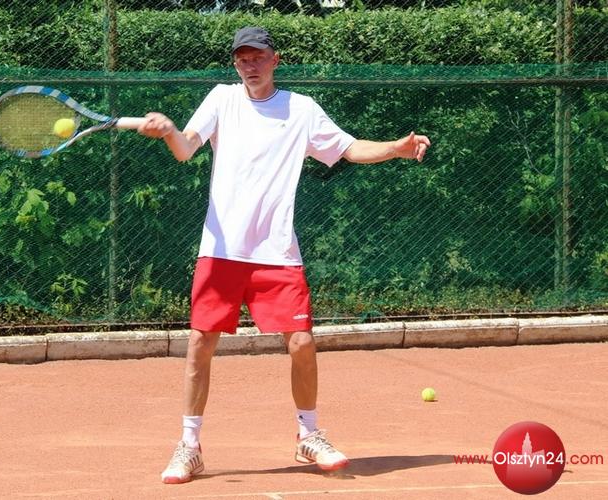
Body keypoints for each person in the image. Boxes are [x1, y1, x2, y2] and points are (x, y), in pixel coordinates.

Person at [137, 26, 430, 484]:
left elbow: (348, 148)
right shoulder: (221, 99)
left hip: (277, 251)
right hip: (221, 249)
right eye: (242, 58)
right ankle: (189, 447)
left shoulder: (301, 109)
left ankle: (308, 435)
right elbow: (186, 148)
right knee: (200, 343)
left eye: (257, 57)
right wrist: (171, 130)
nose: (249, 65)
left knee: (302, 342)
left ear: (275, 60)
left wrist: (395, 149)